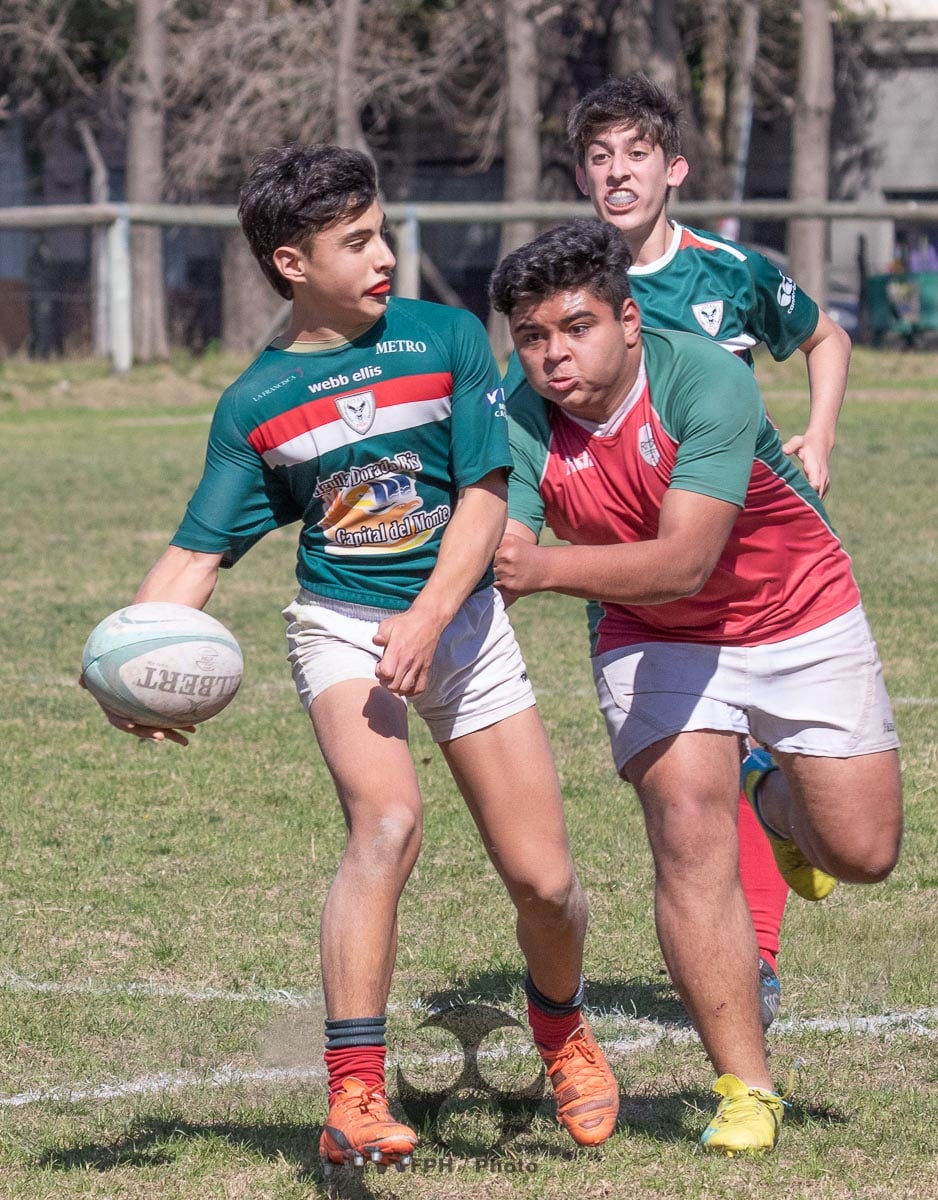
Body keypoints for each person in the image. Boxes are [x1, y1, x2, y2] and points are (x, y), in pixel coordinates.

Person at [83, 147, 618, 1171]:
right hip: (339, 626)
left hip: (458, 622)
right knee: (387, 821)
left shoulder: (445, 337)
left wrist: (429, 614)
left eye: (380, 232)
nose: (384, 256)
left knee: (545, 884)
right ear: (292, 263)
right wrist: (120, 664)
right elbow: (196, 556)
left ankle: (560, 1028)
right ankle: (354, 1092)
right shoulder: (256, 402)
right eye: (357, 241)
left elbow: (485, 495)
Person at [489, 220, 902, 1154]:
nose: (554, 356)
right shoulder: (518, 414)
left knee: (862, 853)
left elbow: (683, 560)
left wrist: (540, 569)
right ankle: (744, 1088)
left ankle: (773, 798)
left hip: (794, 607)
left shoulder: (705, 378)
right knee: (684, 825)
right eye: (532, 337)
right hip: (650, 632)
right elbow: (504, 541)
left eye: (576, 327)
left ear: (628, 321)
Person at [556, 73, 855, 1025]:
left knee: (799, 801)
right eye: (599, 157)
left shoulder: (729, 272)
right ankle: (751, 957)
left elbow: (825, 338)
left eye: (636, 154)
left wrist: (818, 436)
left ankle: (760, 907)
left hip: (754, 561)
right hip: (639, 573)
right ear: (581, 177)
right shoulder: (568, 296)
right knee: (691, 792)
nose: (617, 173)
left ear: (673, 169)